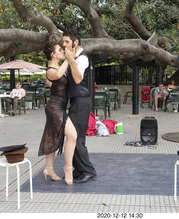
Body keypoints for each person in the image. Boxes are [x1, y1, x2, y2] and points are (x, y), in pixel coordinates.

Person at [38, 41, 78, 185]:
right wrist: (68, 58)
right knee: (72, 136)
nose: (62, 51)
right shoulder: (50, 69)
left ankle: (48, 168)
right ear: (53, 54)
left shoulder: (58, 67)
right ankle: (68, 168)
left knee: (52, 137)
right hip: (54, 108)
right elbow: (58, 74)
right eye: (59, 50)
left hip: (58, 107)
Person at [63, 29, 97, 183]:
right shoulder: (75, 58)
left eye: (66, 42)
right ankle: (79, 168)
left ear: (75, 42)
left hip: (82, 101)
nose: (64, 45)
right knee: (73, 137)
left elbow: (77, 79)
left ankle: (87, 171)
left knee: (77, 138)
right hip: (76, 101)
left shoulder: (82, 59)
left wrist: (70, 60)